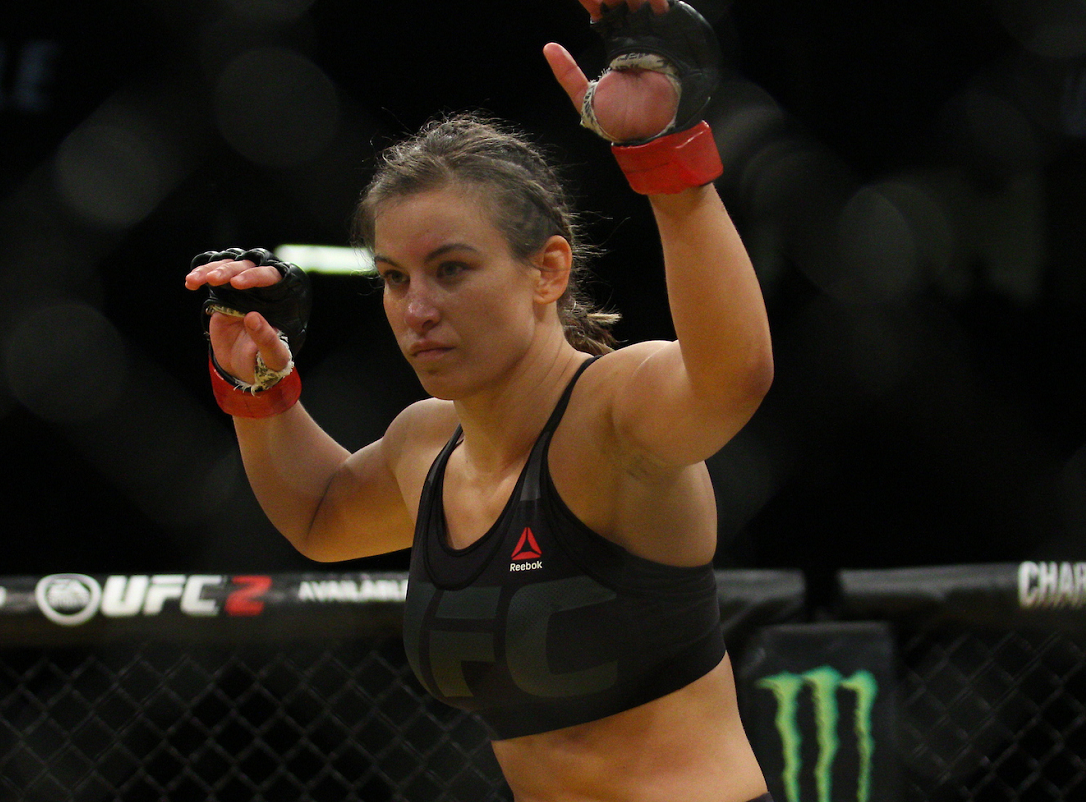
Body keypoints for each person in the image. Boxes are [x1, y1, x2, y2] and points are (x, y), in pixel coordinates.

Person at [185, 0, 774, 799]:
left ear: (547, 271)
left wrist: (665, 161)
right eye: (395, 278)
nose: (417, 309)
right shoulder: (426, 445)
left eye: (451, 270)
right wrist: (259, 385)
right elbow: (319, 517)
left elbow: (730, 376)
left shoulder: (609, 413)